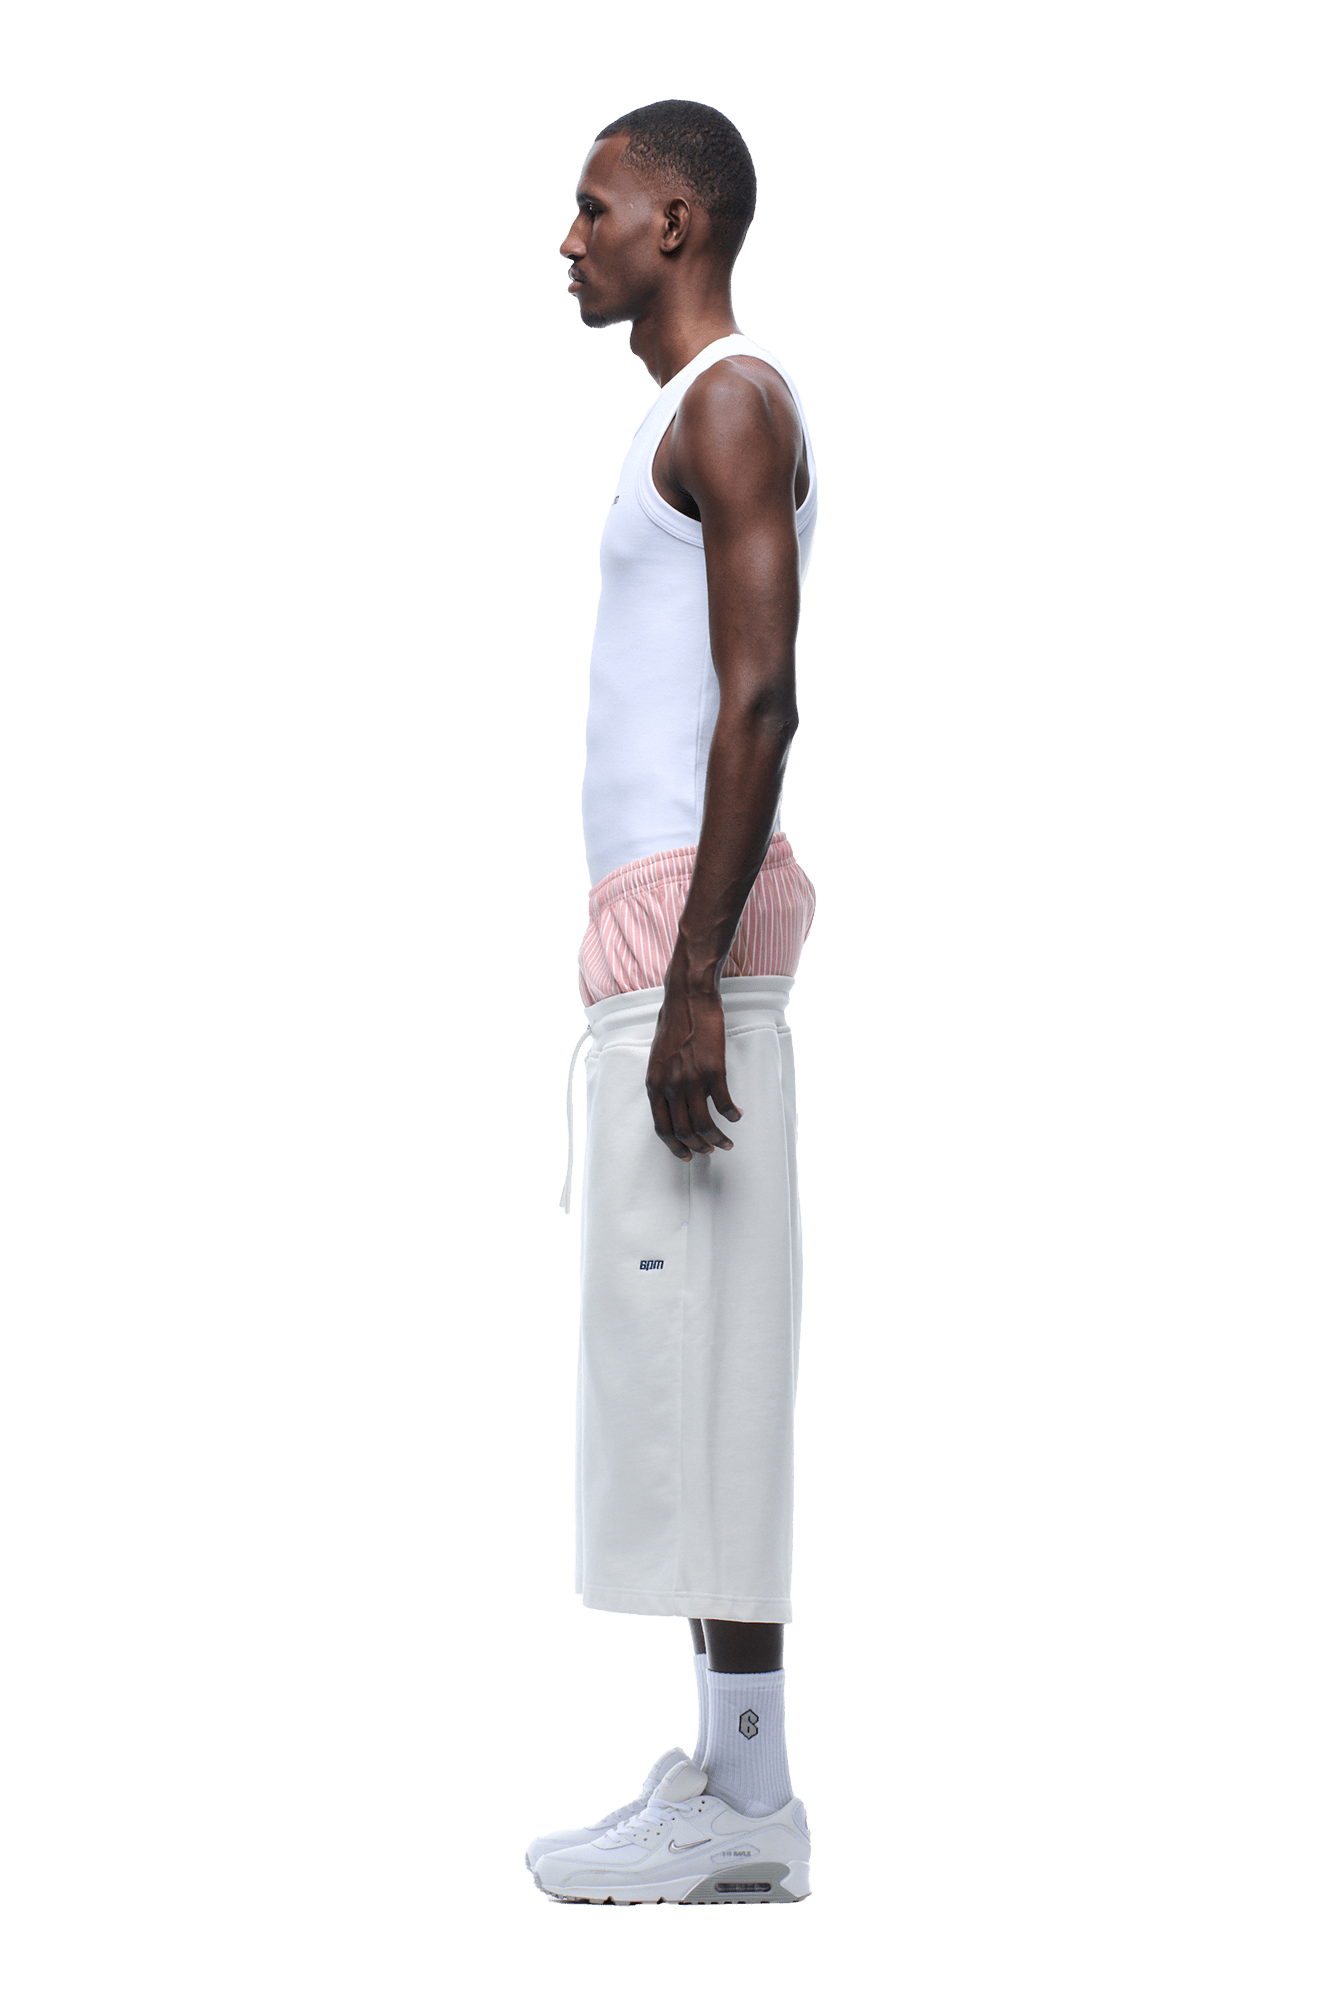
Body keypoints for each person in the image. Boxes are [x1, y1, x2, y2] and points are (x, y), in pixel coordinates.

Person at [525, 101, 820, 1907]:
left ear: (678, 223)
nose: (570, 239)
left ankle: (750, 1800)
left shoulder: (730, 401)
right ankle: (728, 1778)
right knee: (680, 1351)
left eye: (596, 208)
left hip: (690, 955)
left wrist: (698, 971)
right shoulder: (685, 414)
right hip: (658, 947)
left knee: (707, 1359)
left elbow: (761, 696)